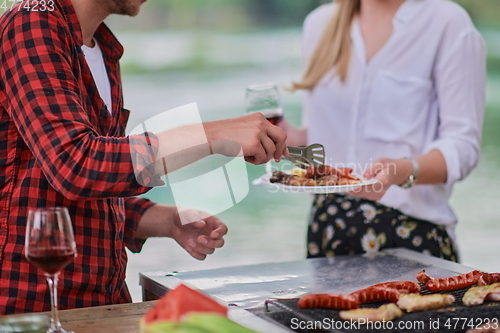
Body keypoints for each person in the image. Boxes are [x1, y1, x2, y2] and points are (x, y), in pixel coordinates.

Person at [0, 0, 288, 315]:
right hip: (33, 308)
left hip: (102, 304)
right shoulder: (30, 21)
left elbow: (92, 182)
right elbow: (77, 165)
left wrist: (164, 220)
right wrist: (214, 134)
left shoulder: (103, 48)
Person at [280, 0, 486, 261]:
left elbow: (463, 148)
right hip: (328, 234)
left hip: (410, 237)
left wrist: (401, 170)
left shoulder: (447, 22)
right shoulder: (319, 24)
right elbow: (320, 142)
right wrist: (284, 138)